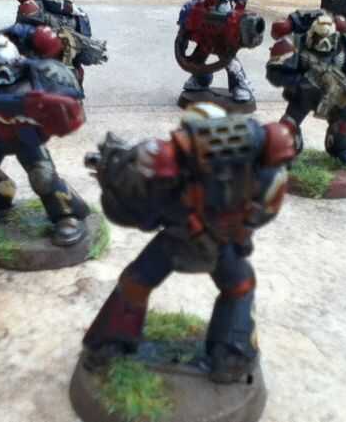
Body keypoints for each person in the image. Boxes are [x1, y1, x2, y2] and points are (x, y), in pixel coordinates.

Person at [82, 103, 295, 383]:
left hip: (193, 241)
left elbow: (145, 215)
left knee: (138, 282)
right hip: (203, 240)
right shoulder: (250, 169)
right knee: (237, 286)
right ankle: (230, 355)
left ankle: (110, 345)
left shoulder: (178, 166)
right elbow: (268, 204)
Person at [0, 34, 90, 246]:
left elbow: (68, 108)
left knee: (43, 177)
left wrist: (46, 115)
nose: (2, 75)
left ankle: (67, 215)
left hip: (25, 136)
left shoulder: (35, 79)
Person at [267, 9, 346, 164]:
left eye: (328, 39)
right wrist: (300, 82)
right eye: (318, 38)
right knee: (288, 124)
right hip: (303, 96)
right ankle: (289, 148)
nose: (323, 43)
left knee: (341, 124)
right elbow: (275, 74)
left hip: (335, 96)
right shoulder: (295, 43)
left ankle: (342, 149)